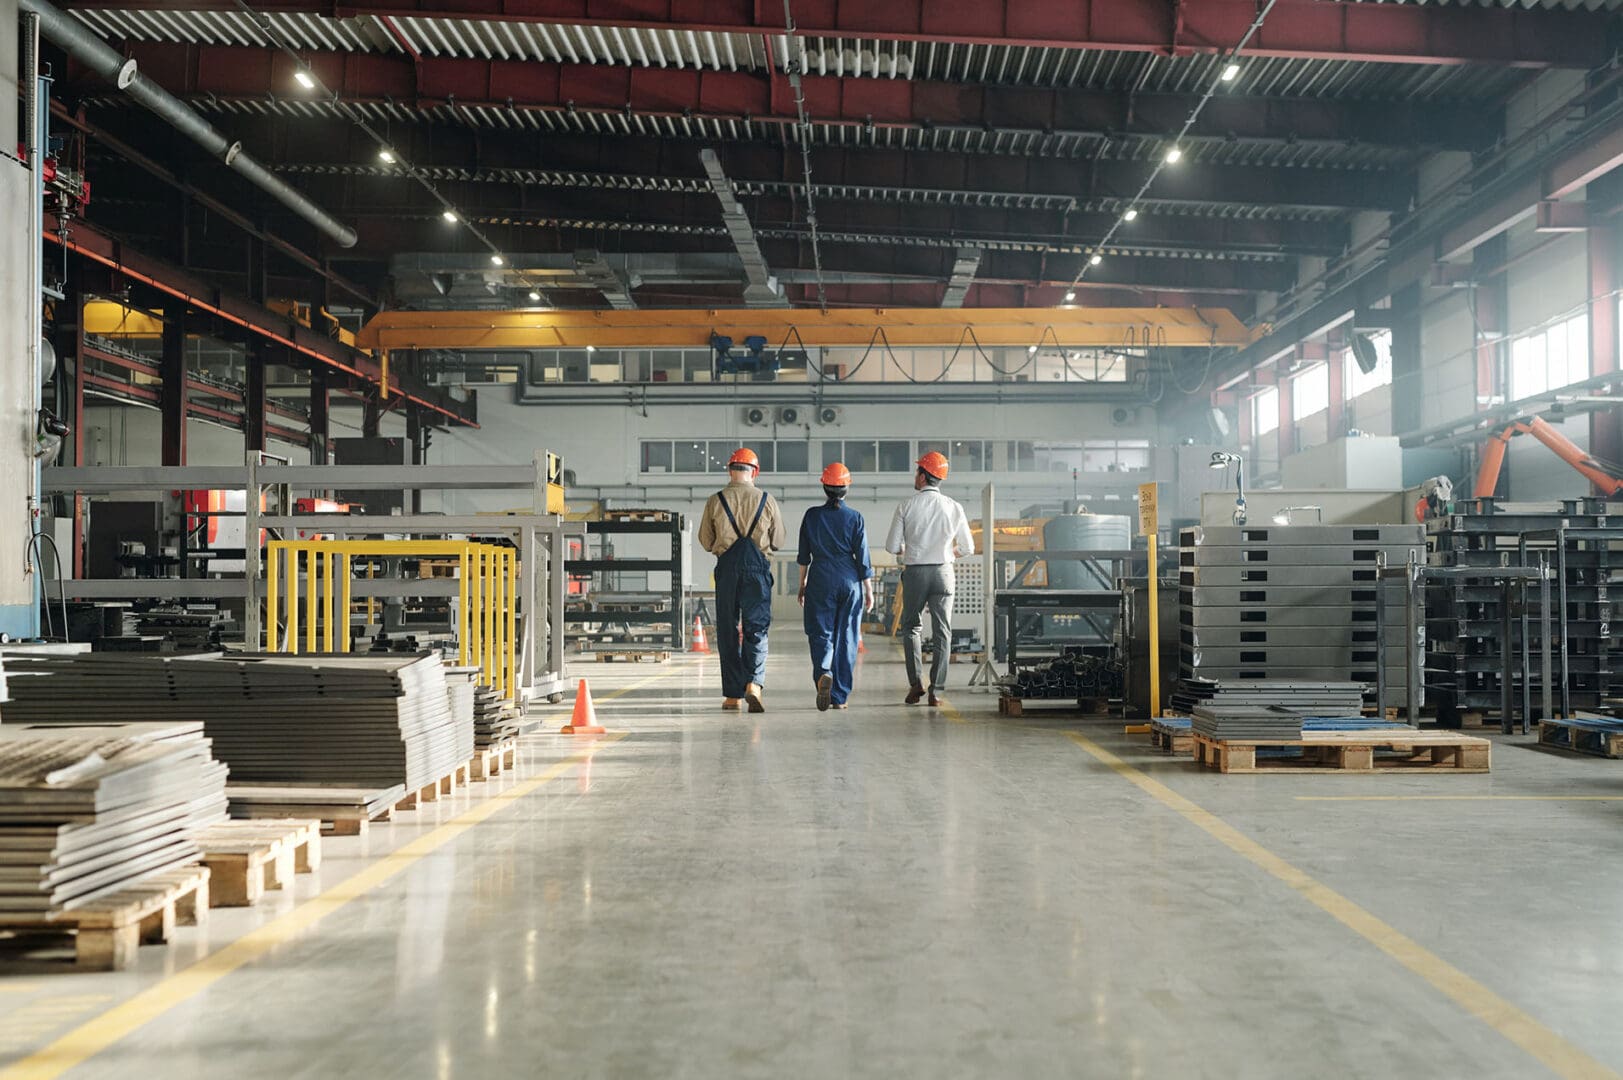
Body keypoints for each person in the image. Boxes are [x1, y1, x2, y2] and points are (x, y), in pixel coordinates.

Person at [698, 447, 786, 713]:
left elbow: (705, 541)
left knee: (727, 630)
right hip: (757, 572)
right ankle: (754, 685)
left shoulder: (715, 500)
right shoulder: (767, 500)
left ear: (729, 470)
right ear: (755, 472)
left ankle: (732, 696)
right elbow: (779, 540)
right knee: (756, 629)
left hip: (727, 570)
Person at [885, 451, 975, 707]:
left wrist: (911, 549)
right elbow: (968, 547)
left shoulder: (907, 505)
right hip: (944, 572)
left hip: (915, 572)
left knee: (912, 627)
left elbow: (892, 546)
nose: (915, 476)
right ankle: (938, 690)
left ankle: (916, 684)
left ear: (923, 476)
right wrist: (948, 554)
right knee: (942, 632)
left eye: (917, 472)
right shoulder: (954, 506)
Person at [797, 463, 874, 712]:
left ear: (824, 486)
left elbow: (803, 555)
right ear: (846, 487)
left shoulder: (811, 515)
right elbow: (863, 557)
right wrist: (868, 589)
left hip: (820, 577)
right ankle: (839, 697)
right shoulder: (855, 517)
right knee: (848, 637)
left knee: (821, 632)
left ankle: (823, 673)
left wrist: (802, 584)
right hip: (849, 579)